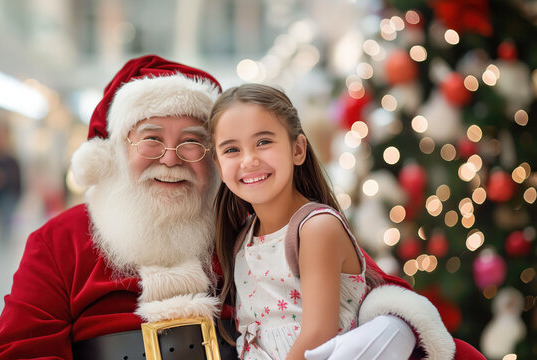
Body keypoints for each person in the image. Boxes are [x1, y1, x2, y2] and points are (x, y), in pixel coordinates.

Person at [0, 55, 484, 360]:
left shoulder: (258, 225)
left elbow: (370, 288)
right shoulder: (60, 241)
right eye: (150, 139)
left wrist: (396, 325)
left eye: (194, 142)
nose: (171, 159)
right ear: (114, 150)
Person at [207, 84, 484, 360]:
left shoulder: (315, 229)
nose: (249, 160)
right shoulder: (242, 238)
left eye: (263, 142)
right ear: (219, 166)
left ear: (298, 150)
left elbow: (318, 336)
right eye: (231, 150)